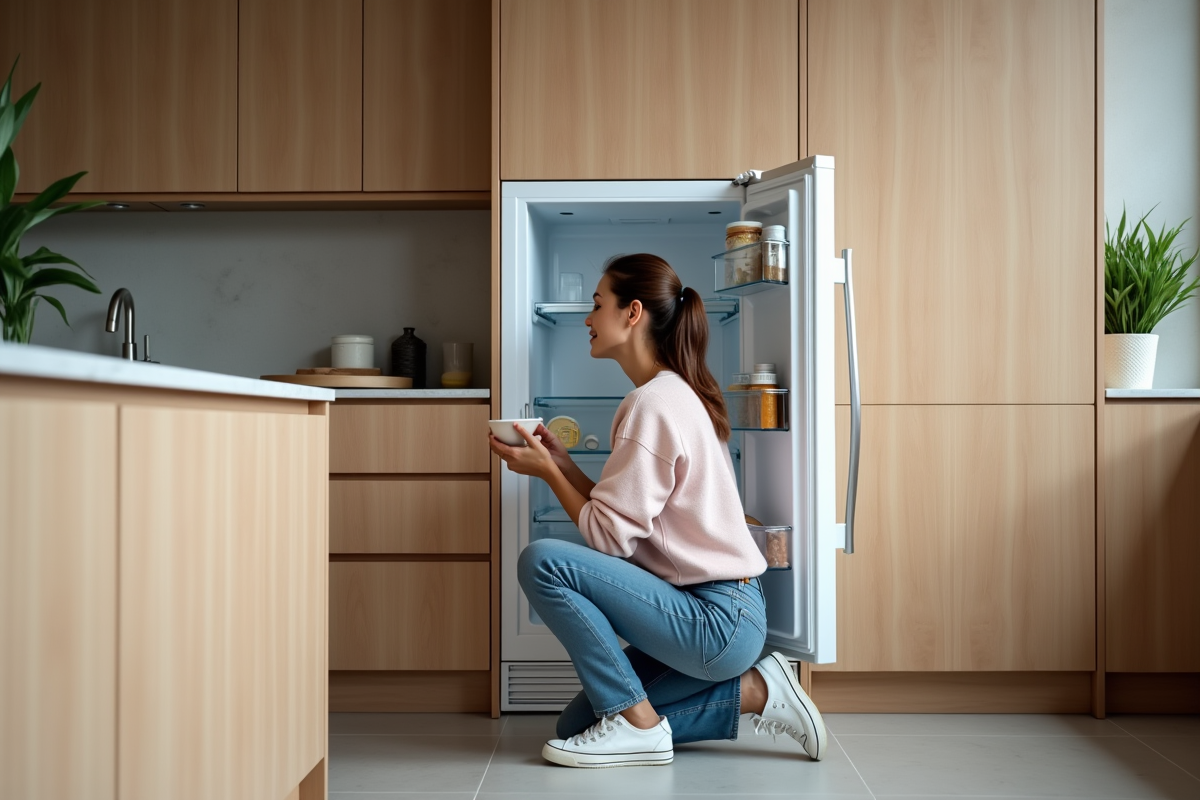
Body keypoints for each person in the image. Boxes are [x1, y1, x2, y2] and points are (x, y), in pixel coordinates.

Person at [489, 253, 826, 769]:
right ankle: (757, 692)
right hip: (720, 613)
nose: (587, 318)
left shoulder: (652, 403)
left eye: (597, 305)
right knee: (577, 725)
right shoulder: (671, 394)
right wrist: (563, 463)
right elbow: (622, 515)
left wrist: (549, 474)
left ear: (633, 312)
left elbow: (609, 539)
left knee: (542, 561)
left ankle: (637, 726)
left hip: (715, 619)